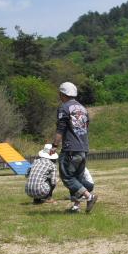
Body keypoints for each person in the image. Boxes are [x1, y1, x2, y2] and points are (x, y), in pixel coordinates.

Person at [52, 82, 96, 213]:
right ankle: (76, 207)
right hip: (84, 147)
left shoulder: (64, 108)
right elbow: (86, 126)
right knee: (77, 178)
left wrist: (54, 145)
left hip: (70, 148)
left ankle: (89, 196)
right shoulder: (83, 108)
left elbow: (60, 129)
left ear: (63, 94)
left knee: (67, 177)